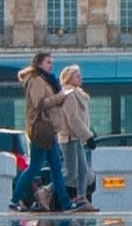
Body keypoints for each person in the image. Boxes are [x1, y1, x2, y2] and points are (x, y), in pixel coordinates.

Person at [10, 52, 79, 213]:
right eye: (48, 62)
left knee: (56, 167)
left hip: (49, 129)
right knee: (35, 167)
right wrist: (59, 97)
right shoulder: (36, 81)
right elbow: (39, 104)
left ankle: (65, 203)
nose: (51, 65)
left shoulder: (47, 80)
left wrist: (59, 98)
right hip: (41, 129)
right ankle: (14, 200)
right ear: (39, 64)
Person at [54, 64, 97, 211]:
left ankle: (82, 199)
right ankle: (46, 190)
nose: (80, 78)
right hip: (69, 138)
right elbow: (73, 119)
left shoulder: (78, 94)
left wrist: (86, 134)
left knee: (83, 171)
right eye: (77, 76)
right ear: (69, 78)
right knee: (71, 173)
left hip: (77, 138)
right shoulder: (69, 94)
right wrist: (88, 136)